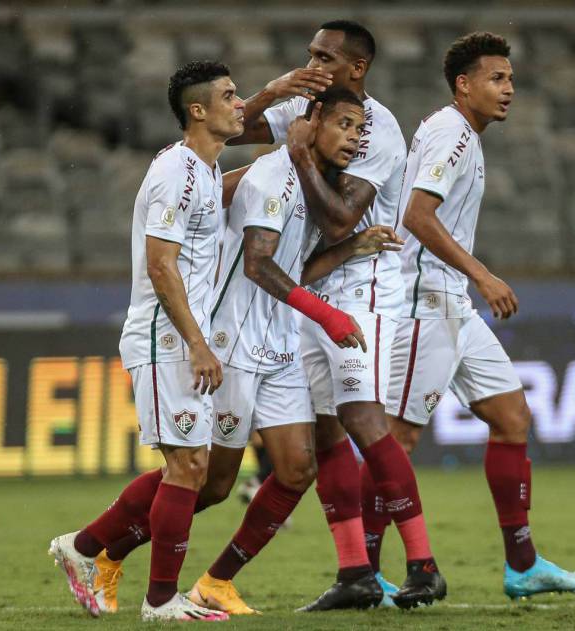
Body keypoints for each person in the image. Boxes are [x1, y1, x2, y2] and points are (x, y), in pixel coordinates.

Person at [372, 32, 575, 600]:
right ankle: (362, 570)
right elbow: (419, 216)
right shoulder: (452, 133)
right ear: (463, 85)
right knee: (398, 438)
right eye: (497, 79)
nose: (509, 90)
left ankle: (522, 565)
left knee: (512, 417)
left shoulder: (459, 133)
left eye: (511, 79)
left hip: (451, 305)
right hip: (425, 302)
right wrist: (483, 273)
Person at [233, 20, 445, 610]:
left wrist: (299, 152)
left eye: (324, 55)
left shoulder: (375, 131)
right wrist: (273, 93)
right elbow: (228, 128)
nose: (312, 61)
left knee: (359, 416)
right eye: (309, 52)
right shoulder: (305, 104)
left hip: (365, 290)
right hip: (314, 286)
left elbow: (338, 223)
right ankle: (354, 572)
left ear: (357, 68)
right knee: (326, 430)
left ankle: (423, 565)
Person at [185, 88, 407, 615]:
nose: (355, 138)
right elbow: (257, 266)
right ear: (310, 123)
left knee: (295, 469)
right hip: (236, 342)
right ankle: (102, 542)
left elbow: (297, 268)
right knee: (211, 484)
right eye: (345, 126)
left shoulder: (312, 186)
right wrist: (328, 315)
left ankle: (216, 582)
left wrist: (353, 247)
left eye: (360, 130)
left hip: (279, 345)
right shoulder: (269, 175)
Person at [47, 60, 243, 622]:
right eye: (229, 96)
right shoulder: (177, 174)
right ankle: (159, 601)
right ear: (198, 110)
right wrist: (197, 343)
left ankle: (82, 548)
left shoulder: (205, 171)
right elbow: (161, 265)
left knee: (192, 467)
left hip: (183, 338)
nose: (240, 103)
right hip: (165, 338)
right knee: (187, 468)